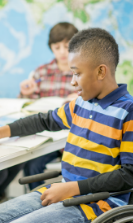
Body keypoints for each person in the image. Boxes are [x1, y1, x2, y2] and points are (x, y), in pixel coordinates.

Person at [0, 28, 133, 223]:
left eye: (77, 73)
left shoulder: (132, 111)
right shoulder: (81, 104)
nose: (72, 81)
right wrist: (1, 131)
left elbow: (130, 176)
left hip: (97, 206)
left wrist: (73, 188)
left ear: (101, 72)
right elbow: (44, 120)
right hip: (66, 190)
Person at [20, 22, 79, 190]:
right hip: (46, 136)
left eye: (67, 47)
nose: (62, 52)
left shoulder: (82, 72)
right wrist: (26, 93)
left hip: (73, 138)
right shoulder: (41, 72)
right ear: (51, 47)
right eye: (57, 47)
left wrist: (80, 98)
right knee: (32, 167)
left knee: (82, 168)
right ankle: (35, 206)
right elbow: (27, 107)